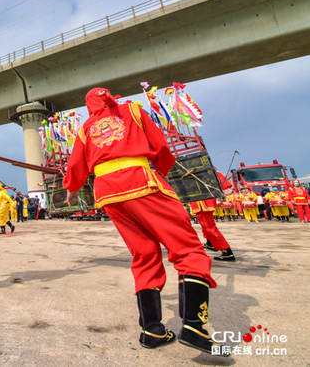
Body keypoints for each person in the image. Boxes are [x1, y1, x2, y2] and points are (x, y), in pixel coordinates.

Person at [63, 88, 226, 356]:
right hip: (139, 180)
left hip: (107, 191)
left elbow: (75, 164)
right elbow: (160, 145)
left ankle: (152, 330)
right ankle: (194, 327)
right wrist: (160, 172)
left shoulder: (85, 128)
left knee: (145, 253)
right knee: (188, 249)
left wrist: (71, 187)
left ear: (88, 105)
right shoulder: (132, 111)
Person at [190, 172, 236, 262]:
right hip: (197, 203)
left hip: (204, 202)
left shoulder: (207, 171)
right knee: (205, 226)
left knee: (209, 228)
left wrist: (226, 188)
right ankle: (210, 243)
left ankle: (227, 251)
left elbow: (224, 183)